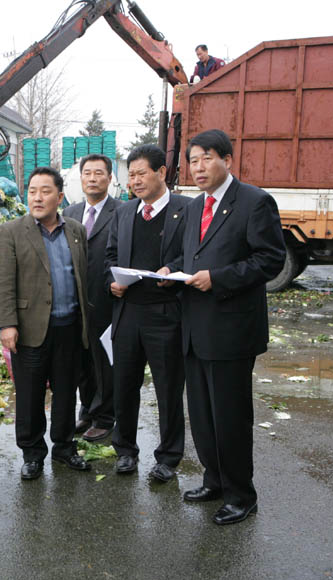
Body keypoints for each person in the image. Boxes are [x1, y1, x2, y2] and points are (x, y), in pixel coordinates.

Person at [178, 129, 285, 524]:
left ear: (227, 159)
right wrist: (171, 269)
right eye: (193, 160)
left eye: (207, 158)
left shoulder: (254, 202)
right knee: (202, 415)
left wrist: (218, 278)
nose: (199, 167)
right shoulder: (193, 207)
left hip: (231, 331)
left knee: (230, 417)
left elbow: (269, 260)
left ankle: (242, 494)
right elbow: (188, 255)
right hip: (194, 328)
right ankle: (214, 480)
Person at [0, 167, 91, 480]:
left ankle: (64, 447)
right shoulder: (11, 231)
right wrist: (7, 324)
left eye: (45, 191)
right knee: (30, 394)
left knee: (65, 391)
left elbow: (82, 276)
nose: (37, 197)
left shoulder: (75, 230)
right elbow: (4, 282)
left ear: (60, 196)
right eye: (32, 190)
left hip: (69, 327)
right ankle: (33, 453)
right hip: (29, 327)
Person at [104, 144, 188, 482]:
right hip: (127, 313)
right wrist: (113, 281)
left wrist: (173, 268)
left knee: (168, 388)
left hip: (166, 313)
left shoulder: (187, 209)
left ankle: (168, 457)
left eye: (141, 174)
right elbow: (110, 256)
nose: (135, 181)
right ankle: (125, 450)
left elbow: (195, 254)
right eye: (131, 176)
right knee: (123, 385)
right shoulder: (124, 213)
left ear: (161, 172)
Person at [62, 153, 121, 441]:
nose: (93, 178)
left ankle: (106, 416)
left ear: (110, 178)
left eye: (99, 173)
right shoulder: (70, 213)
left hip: (107, 300)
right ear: (80, 178)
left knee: (104, 362)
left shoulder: (122, 211)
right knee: (81, 361)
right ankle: (87, 409)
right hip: (75, 302)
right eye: (88, 173)